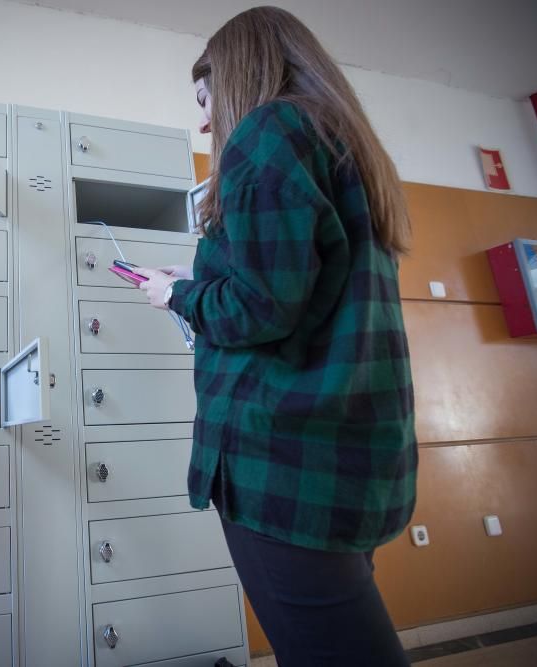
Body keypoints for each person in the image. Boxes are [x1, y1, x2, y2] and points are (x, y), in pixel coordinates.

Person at [135, 7, 416, 666]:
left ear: (239, 75)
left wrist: (176, 294)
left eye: (206, 99)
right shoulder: (339, 140)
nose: (205, 120)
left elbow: (261, 307)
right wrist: (201, 271)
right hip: (344, 457)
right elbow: (306, 282)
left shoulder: (266, 131)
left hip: (281, 461)